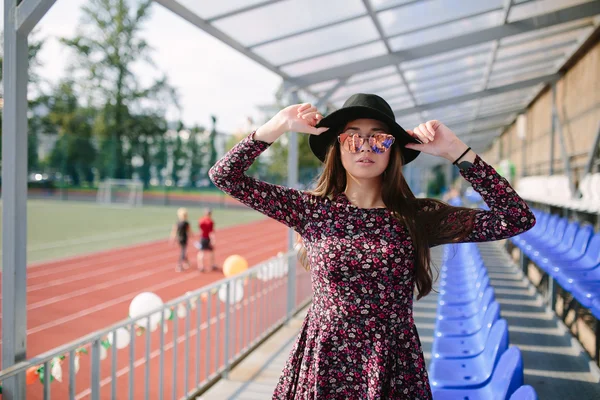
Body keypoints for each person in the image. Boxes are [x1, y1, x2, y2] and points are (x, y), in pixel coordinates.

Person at [209, 93, 536, 399]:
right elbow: (225, 175)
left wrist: (457, 151)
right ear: (338, 147)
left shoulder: (418, 216)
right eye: (353, 137)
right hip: (324, 360)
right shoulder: (312, 209)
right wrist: (276, 125)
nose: (365, 147)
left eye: (379, 137)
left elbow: (516, 218)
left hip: (392, 365)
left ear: (393, 149)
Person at [170, 207, 191, 272]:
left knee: (183, 250)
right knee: (183, 251)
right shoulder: (186, 223)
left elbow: (174, 231)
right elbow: (189, 231)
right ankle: (179, 265)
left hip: (179, 239)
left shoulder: (178, 223)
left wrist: (172, 239)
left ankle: (187, 261)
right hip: (184, 239)